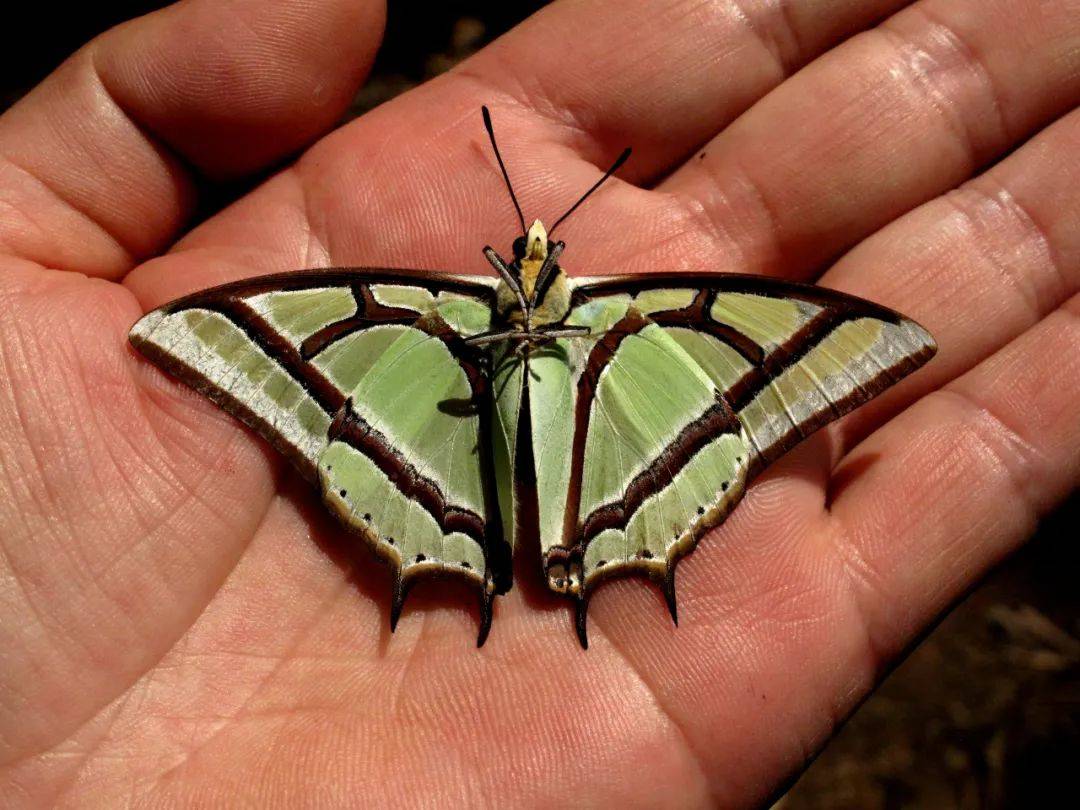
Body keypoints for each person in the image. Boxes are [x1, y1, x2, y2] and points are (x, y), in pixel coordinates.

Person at [0, 0, 1076, 806]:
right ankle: (501, 537)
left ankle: (579, 531)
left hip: (612, 451)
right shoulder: (426, 306)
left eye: (541, 257)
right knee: (419, 366)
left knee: (637, 386)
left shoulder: (644, 313)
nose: (530, 262)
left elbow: (797, 348)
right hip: (448, 448)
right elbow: (250, 330)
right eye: (523, 257)